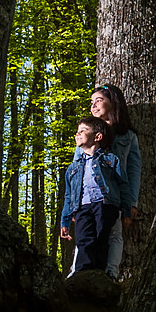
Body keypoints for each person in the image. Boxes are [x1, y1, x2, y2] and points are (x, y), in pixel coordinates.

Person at [58, 114, 123, 279]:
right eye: (77, 131)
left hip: (105, 204)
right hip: (81, 207)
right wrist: (65, 220)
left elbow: (122, 185)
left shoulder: (110, 160)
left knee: (102, 238)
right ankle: (82, 274)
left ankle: (100, 275)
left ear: (97, 137)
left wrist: (126, 208)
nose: (77, 134)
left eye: (82, 131)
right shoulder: (72, 168)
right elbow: (68, 195)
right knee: (83, 239)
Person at [90, 83, 142, 275]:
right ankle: (80, 272)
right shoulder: (87, 134)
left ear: (113, 103)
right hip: (90, 197)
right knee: (87, 234)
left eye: (99, 100)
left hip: (116, 197)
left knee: (114, 233)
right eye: (91, 102)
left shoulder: (127, 137)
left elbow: (134, 170)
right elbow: (76, 169)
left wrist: (132, 203)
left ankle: (110, 274)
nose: (94, 106)